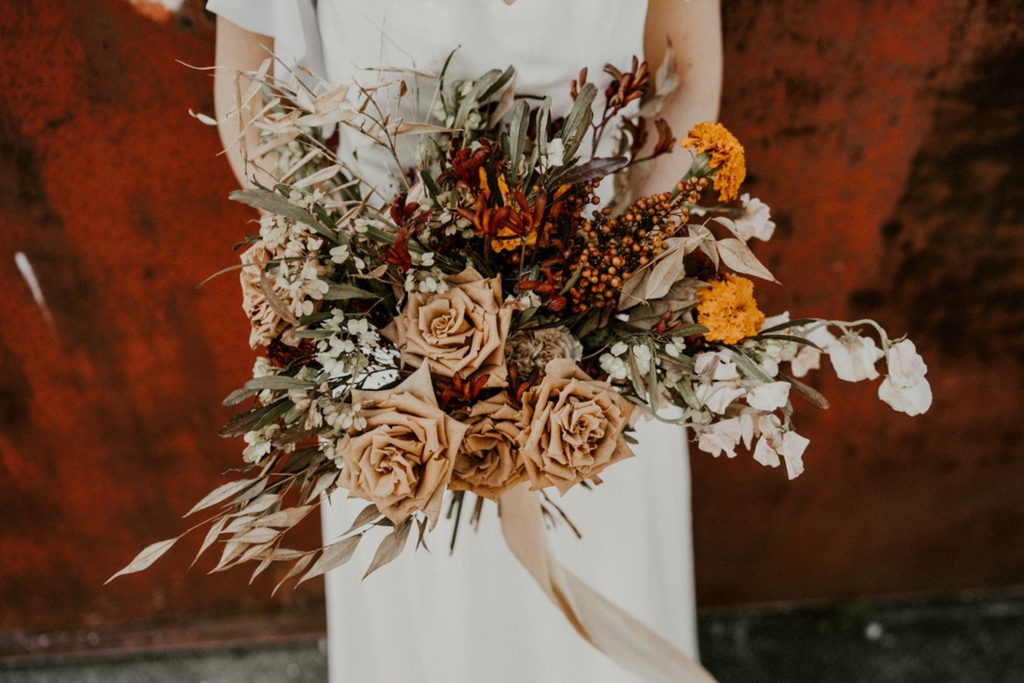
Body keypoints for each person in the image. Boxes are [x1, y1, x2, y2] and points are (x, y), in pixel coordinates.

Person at [209, 2, 722, 681]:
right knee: (435, 616)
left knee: (610, 563)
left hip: (601, 329)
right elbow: (252, 93)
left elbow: (687, 77)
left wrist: (611, 274)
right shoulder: (375, 319)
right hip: (387, 333)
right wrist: (361, 285)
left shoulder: (606, 302)